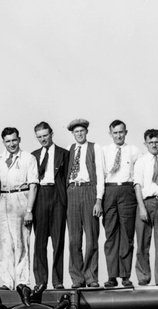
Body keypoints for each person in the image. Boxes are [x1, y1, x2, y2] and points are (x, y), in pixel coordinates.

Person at [0, 127, 37, 290]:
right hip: (3, 199)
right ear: (3, 142)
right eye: (8, 141)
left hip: (21, 197)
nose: (11, 144)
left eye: (14, 140)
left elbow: (33, 186)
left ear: (19, 139)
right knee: (3, 243)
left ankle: (22, 281)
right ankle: (7, 281)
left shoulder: (28, 158)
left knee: (21, 242)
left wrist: (29, 210)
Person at [64, 118, 106, 288]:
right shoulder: (69, 149)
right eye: (76, 132)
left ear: (86, 132)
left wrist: (98, 200)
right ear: (73, 134)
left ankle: (91, 277)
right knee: (74, 239)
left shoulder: (95, 147)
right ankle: (77, 278)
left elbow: (101, 174)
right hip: (72, 191)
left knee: (91, 238)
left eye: (82, 131)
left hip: (89, 190)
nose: (79, 134)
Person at [101, 120, 142, 287]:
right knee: (110, 234)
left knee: (127, 234)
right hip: (109, 190)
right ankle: (112, 275)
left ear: (126, 132)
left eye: (121, 132)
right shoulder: (104, 151)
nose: (118, 135)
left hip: (127, 191)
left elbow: (138, 174)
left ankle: (125, 275)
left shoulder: (134, 150)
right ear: (110, 133)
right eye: (115, 132)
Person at [31, 121, 69, 288]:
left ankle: (57, 280)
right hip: (40, 196)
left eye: (45, 135)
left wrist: (64, 200)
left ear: (51, 134)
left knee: (58, 240)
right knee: (39, 241)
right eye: (39, 137)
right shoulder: (33, 155)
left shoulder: (64, 154)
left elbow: (67, 178)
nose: (43, 139)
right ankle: (41, 281)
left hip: (57, 197)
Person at [133, 129, 158, 286]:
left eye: (157, 142)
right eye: (151, 142)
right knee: (143, 241)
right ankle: (143, 277)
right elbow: (137, 186)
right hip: (146, 203)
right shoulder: (141, 162)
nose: (154, 145)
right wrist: (142, 208)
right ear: (145, 144)